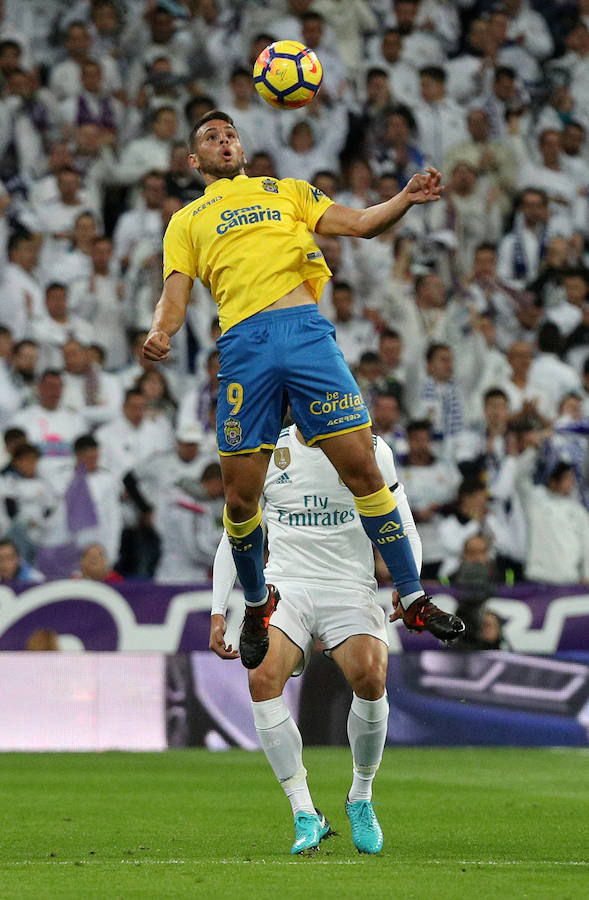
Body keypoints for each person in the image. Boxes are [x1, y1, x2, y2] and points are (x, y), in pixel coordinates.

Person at [143, 108, 463, 670]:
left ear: (241, 149)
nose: (225, 142)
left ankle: (412, 597)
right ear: (194, 160)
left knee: (363, 468)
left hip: (308, 336)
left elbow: (360, 223)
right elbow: (175, 294)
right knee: (241, 499)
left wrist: (405, 199)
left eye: (231, 135)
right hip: (244, 346)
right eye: (212, 138)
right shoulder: (187, 221)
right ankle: (257, 602)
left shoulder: (287, 191)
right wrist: (160, 331)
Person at [210, 424, 422, 855]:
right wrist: (218, 609)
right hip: (286, 585)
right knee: (261, 678)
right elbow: (235, 532)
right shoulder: (267, 452)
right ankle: (305, 812)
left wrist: (409, 584)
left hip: (349, 586)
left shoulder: (371, 449)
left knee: (370, 675)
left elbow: (404, 523)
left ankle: (360, 797)